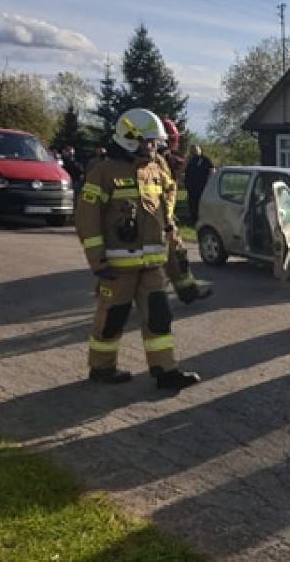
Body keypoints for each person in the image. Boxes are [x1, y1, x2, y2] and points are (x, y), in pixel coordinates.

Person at [74, 108, 201, 390]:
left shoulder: (157, 170)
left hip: (153, 265)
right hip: (117, 267)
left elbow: (167, 218)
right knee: (113, 317)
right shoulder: (103, 173)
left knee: (159, 317)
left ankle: (165, 371)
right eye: (147, 141)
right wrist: (98, 262)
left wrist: (181, 272)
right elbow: (87, 220)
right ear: (129, 139)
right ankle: (102, 368)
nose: (152, 147)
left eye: (154, 142)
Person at [157, 119, 212, 305]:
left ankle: (188, 292)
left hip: (165, 219)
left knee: (177, 256)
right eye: (173, 138)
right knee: (154, 263)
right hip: (153, 221)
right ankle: (146, 299)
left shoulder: (162, 158)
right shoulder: (153, 161)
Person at [183, 144, 214, 224]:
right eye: (192, 150)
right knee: (192, 204)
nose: (194, 152)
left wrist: (210, 183)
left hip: (202, 186)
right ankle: (193, 220)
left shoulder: (205, 159)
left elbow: (212, 171)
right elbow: (182, 169)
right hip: (191, 187)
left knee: (200, 204)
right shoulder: (189, 160)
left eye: (196, 150)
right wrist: (186, 161)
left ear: (200, 150)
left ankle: (202, 220)